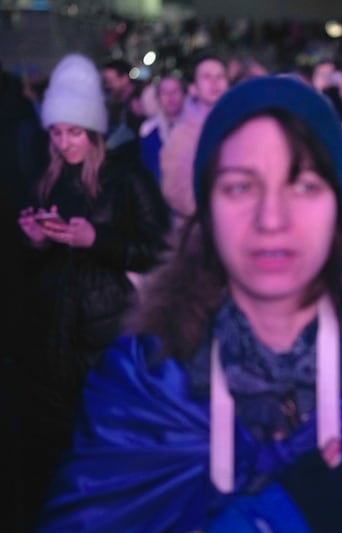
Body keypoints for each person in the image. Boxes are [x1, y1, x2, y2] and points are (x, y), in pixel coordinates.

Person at [38, 76, 342, 532]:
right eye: (241, 187)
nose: (271, 218)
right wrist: (280, 517)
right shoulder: (146, 373)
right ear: (206, 211)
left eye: (303, 185)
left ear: (339, 206)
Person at [16, 53, 170, 526]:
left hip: (106, 339)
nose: (64, 143)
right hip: (51, 342)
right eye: (56, 132)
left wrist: (96, 239)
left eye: (74, 132)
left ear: (94, 130)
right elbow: (32, 268)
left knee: (101, 452)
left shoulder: (127, 178)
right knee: (50, 456)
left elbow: (159, 248)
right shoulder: (49, 178)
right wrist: (35, 243)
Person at [160, 51, 229, 228]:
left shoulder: (238, 127)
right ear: (193, 88)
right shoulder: (182, 135)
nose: (215, 83)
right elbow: (176, 191)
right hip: (199, 233)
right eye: (206, 77)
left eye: (220, 76)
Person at [139, 74, 185, 183]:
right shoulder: (148, 131)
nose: (170, 97)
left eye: (175, 91)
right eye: (164, 93)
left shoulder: (195, 126)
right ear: (158, 98)